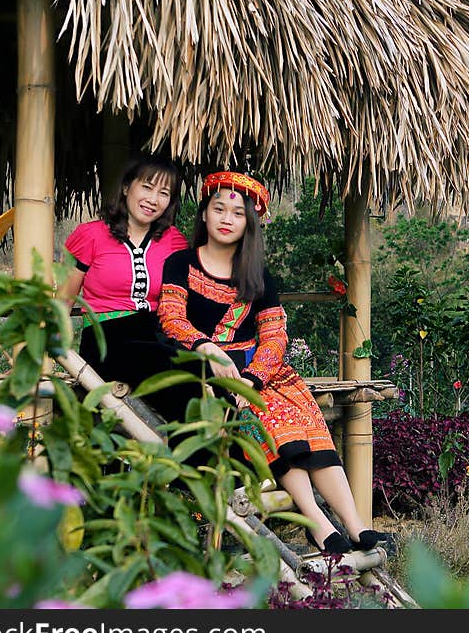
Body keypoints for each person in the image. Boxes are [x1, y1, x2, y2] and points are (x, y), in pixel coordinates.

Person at [157, 170, 385, 554]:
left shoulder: (258, 275)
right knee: (270, 423)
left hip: (257, 371)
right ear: (204, 215)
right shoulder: (181, 264)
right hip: (203, 368)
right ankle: (317, 522)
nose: (227, 219)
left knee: (302, 418)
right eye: (219, 209)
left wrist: (254, 378)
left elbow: (276, 335)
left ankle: (356, 524)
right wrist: (207, 348)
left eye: (237, 213)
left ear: (250, 223)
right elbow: (171, 318)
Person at [60, 154, 193, 422]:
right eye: (146, 187)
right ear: (125, 187)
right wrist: (54, 353)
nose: (153, 199)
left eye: (163, 193)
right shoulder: (91, 235)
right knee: (175, 370)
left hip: (155, 336)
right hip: (107, 338)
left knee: (195, 371)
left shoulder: (174, 241)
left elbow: (183, 300)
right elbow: (63, 300)